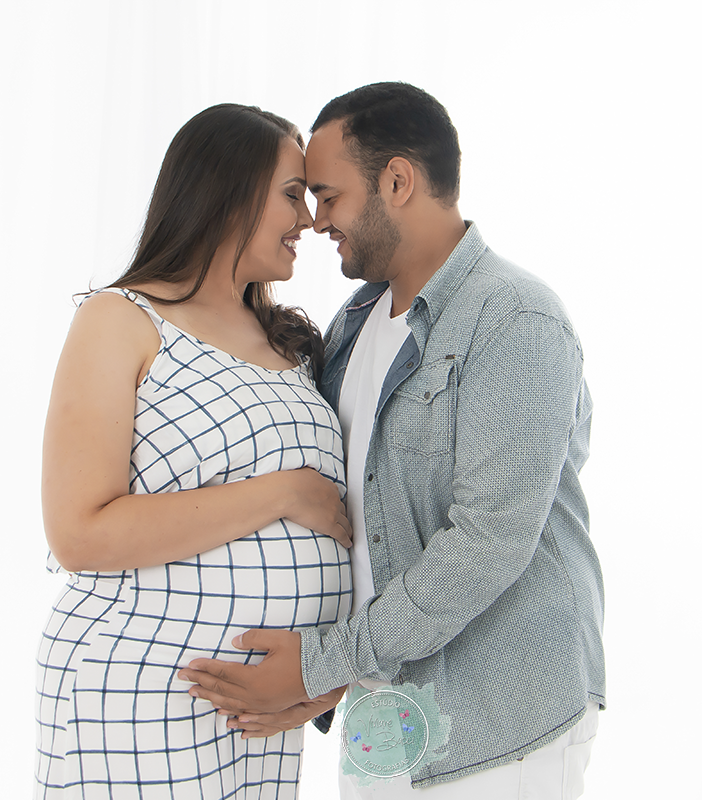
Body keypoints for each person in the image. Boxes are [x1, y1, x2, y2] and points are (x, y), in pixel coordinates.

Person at [180, 83, 605, 799]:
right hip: (382, 702)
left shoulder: (515, 318)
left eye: (328, 195)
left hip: (499, 716)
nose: (315, 220)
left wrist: (319, 662)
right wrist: (334, 671)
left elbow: (489, 543)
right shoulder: (355, 322)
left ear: (398, 181)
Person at [34, 103, 353, 799]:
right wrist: (283, 492)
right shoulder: (121, 320)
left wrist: (324, 678)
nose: (308, 220)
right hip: (142, 683)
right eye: (291, 194)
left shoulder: (291, 343)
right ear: (228, 193)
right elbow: (79, 533)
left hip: (262, 707)